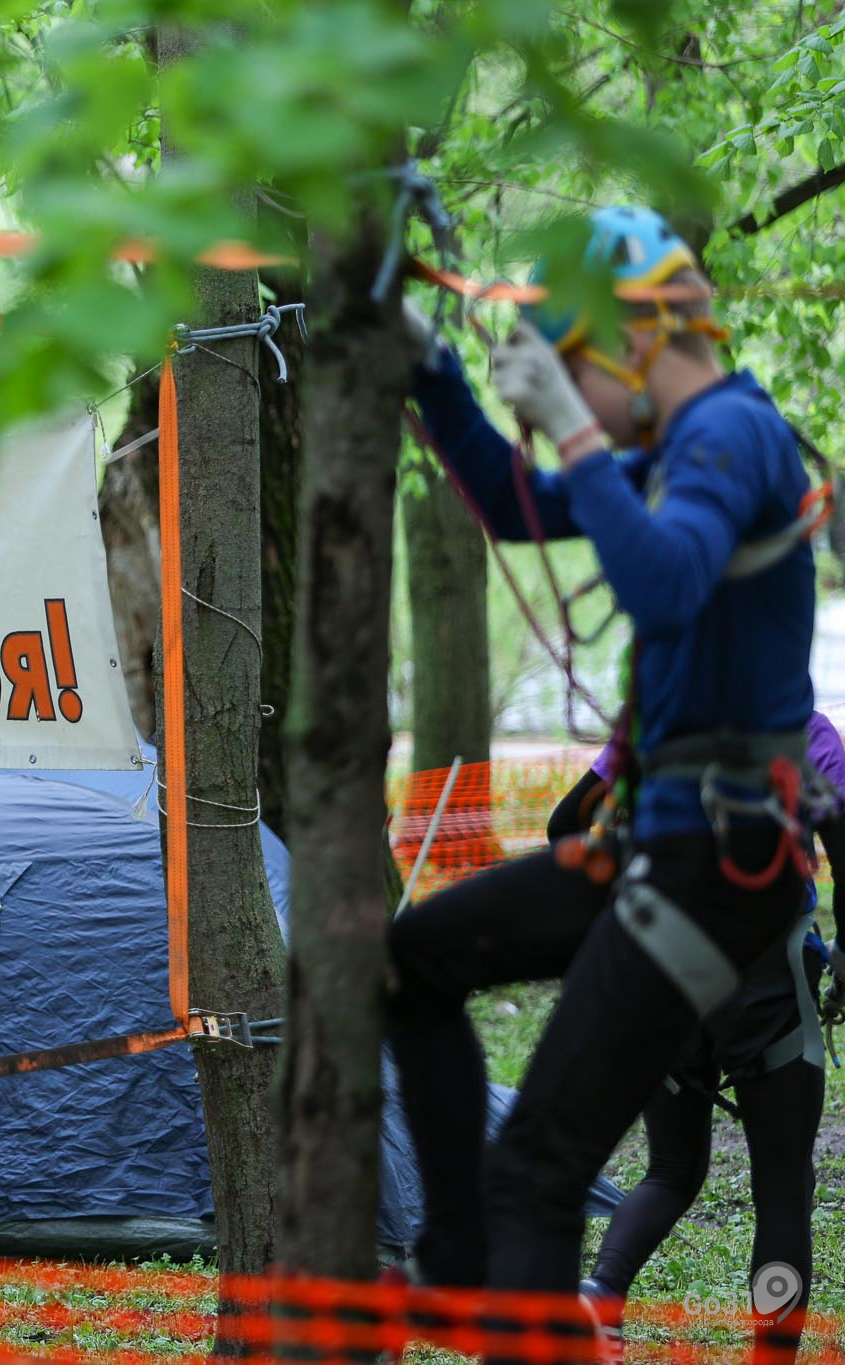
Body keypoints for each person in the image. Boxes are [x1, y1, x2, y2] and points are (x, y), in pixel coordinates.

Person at [388, 205, 828, 1331]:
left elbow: (666, 582)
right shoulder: (677, 453)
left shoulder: (730, 435)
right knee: (417, 957)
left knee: (539, 1168)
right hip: (658, 848)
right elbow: (513, 504)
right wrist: (429, 369)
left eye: (570, 372)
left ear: (630, 340)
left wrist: (577, 435)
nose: (569, 404)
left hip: (715, 862)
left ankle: (480, 1260)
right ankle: (454, 1253)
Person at [552, 712, 845, 1359]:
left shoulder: (656, 719)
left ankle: (601, 1293)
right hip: (767, 979)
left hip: (664, 974)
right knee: (783, 1187)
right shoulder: (804, 728)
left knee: (672, 1168)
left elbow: (564, 823)